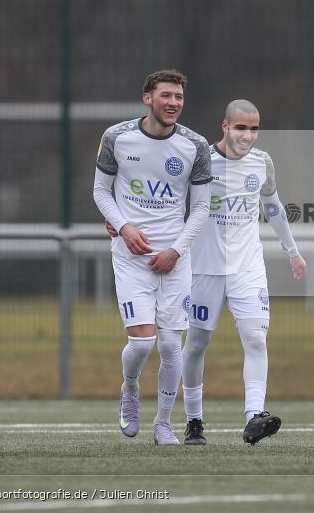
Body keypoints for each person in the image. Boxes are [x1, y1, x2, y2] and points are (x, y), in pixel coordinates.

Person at [110, 99, 306, 446]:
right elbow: (162, 197)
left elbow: (272, 205)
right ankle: (195, 421)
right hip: (202, 270)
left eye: (255, 129)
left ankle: (253, 416)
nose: (248, 136)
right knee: (196, 344)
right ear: (225, 126)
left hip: (247, 269)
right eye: (241, 128)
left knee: (256, 339)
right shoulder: (200, 158)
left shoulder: (262, 163)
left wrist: (293, 251)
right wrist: (120, 223)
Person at [93, 69, 212, 446]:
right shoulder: (116, 137)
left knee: (171, 344)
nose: (173, 103)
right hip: (131, 257)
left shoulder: (196, 146)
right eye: (166, 96)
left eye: (178, 97)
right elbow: (101, 192)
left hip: (175, 258)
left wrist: (176, 250)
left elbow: (202, 208)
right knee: (143, 343)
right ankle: (130, 389)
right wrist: (124, 227)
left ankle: (163, 423)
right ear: (147, 98)